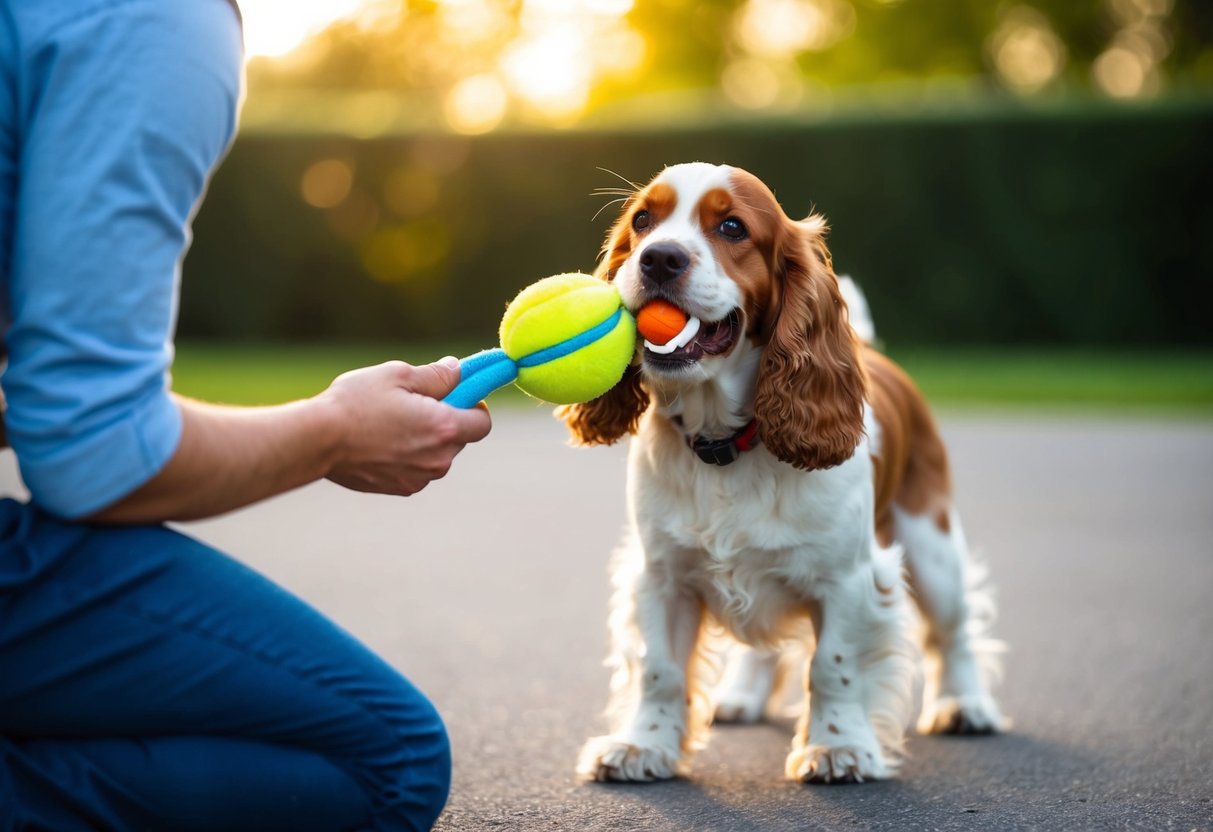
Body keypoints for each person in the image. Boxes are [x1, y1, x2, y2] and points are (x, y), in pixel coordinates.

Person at [0, 1, 492, 829]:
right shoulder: (150, 18)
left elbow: (66, 419)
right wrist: (333, 431)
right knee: (385, 762)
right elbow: (94, 460)